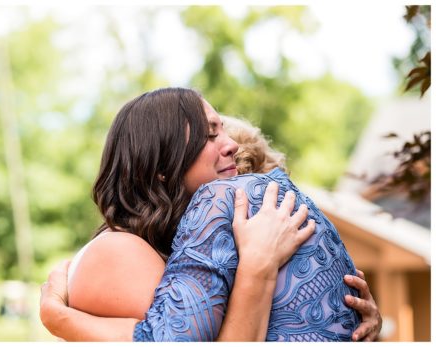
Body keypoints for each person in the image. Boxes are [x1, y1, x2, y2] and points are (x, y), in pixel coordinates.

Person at [40, 88, 381, 341]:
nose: (232, 146)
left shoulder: (185, 249)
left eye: (224, 131)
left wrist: (349, 323)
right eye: (209, 134)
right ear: (161, 166)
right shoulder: (119, 251)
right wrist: (258, 267)